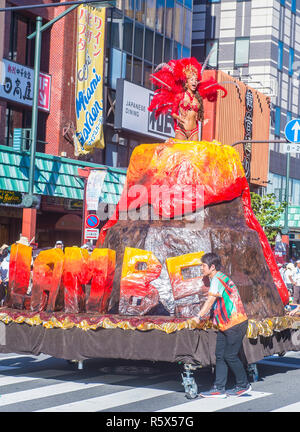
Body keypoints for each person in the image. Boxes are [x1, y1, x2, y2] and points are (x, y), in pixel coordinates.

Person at [193, 252, 251, 398]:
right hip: (225, 325)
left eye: (203, 266)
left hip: (235, 323)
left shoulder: (217, 279)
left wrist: (199, 316)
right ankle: (219, 388)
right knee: (220, 355)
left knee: (230, 356)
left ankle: (243, 385)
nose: (201, 268)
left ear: (212, 267)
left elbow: (210, 301)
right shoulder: (219, 278)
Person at [148, 57, 227, 141]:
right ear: (186, 82)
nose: (194, 82)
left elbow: (198, 116)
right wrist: (179, 118)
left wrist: (203, 120)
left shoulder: (198, 98)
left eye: (196, 80)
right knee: (181, 152)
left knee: (194, 153)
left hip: (194, 131)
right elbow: (173, 113)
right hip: (181, 130)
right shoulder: (180, 96)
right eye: (192, 80)